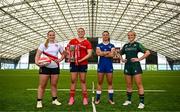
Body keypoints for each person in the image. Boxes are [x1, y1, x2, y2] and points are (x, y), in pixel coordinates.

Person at [120, 31, 150, 109]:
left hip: (136, 66)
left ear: (134, 36)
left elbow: (147, 52)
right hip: (127, 66)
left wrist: (139, 59)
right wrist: (122, 59)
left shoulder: (137, 44)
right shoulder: (125, 45)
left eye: (131, 35)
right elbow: (119, 53)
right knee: (129, 85)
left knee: (139, 85)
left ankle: (141, 103)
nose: (130, 36)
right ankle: (129, 100)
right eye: (129, 35)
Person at [35, 30, 65, 108]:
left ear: (55, 36)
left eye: (53, 35)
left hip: (55, 67)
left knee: (54, 85)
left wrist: (60, 59)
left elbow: (63, 54)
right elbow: (37, 55)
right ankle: (39, 101)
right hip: (45, 67)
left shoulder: (58, 45)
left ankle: (54, 100)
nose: (52, 36)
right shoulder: (43, 45)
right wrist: (37, 63)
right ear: (47, 36)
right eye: (50, 35)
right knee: (42, 85)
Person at [67, 28, 92, 105]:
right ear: (77, 32)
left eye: (82, 31)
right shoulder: (72, 41)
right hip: (73, 63)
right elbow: (68, 51)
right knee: (73, 80)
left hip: (83, 63)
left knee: (83, 80)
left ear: (84, 32)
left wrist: (80, 60)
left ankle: (85, 98)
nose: (80, 33)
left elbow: (89, 54)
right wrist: (70, 57)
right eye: (79, 31)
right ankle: (71, 98)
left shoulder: (87, 42)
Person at [95, 31, 115, 105]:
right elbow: (98, 53)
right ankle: (98, 98)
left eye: (106, 35)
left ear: (108, 36)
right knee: (100, 82)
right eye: (104, 35)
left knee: (110, 82)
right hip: (101, 65)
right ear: (102, 36)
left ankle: (111, 99)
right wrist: (107, 52)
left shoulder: (112, 45)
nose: (105, 36)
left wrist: (102, 53)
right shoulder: (99, 45)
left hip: (109, 65)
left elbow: (112, 54)